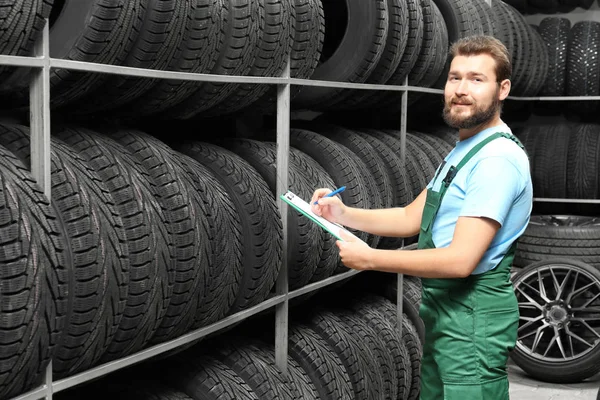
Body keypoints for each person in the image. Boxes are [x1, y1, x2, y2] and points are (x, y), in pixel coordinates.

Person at [311, 35, 533, 400]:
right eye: (454, 77)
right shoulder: (466, 149)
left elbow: (461, 261)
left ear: (502, 89)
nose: (461, 90)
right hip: (446, 311)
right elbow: (412, 216)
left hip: (472, 315)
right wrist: (343, 214)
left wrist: (370, 259)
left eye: (477, 79)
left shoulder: (495, 162)